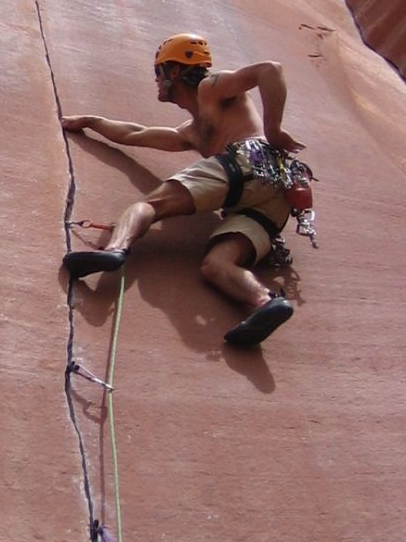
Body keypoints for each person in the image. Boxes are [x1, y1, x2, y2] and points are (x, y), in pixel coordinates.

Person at [60, 33, 307, 347]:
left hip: (249, 159)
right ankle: (266, 301)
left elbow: (270, 69)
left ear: (174, 72)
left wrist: (274, 130)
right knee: (216, 265)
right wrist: (91, 121)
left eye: (158, 73)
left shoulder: (211, 88)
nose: (157, 81)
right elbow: (135, 134)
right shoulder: (192, 133)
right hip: (273, 197)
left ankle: (115, 250)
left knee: (149, 207)